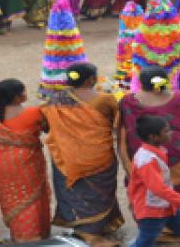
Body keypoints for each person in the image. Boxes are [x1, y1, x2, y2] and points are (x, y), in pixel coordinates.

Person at [43, 63, 124, 246]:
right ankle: (90, 233)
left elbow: (46, 124)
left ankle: (87, 226)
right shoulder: (106, 99)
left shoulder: (55, 99)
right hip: (98, 156)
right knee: (99, 192)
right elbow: (116, 124)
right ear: (91, 79)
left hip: (67, 155)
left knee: (76, 191)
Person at [0, 79, 50, 243]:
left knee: (10, 195)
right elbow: (47, 128)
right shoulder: (33, 113)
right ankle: (31, 235)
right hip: (25, 160)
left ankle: (17, 233)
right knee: (31, 197)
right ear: (17, 97)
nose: (26, 94)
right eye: (23, 92)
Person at [119, 67, 180, 204]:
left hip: (144, 155)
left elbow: (123, 127)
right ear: (165, 81)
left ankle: (154, 222)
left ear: (141, 83)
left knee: (149, 189)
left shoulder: (128, 101)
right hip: (179, 154)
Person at [128, 115, 180, 247]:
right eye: (166, 131)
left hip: (167, 205)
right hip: (152, 209)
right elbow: (159, 189)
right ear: (153, 137)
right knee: (145, 242)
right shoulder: (146, 160)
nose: (170, 133)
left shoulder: (157, 151)